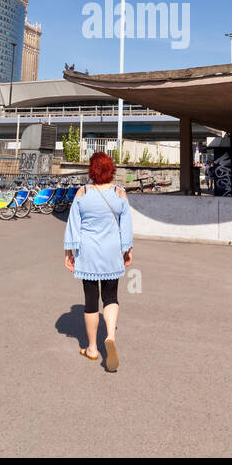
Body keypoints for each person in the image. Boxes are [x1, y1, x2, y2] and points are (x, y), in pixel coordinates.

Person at [64, 151, 134, 372]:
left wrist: (69, 252)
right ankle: (110, 338)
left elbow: (73, 225)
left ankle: (92, 348)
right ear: (111, 170)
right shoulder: (120, 193)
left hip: (89, 254)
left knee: (91, 299)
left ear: (92, 171)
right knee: (111, 296)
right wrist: (127, 249)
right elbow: (127, 225)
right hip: (112, 251)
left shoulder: (82, 193)